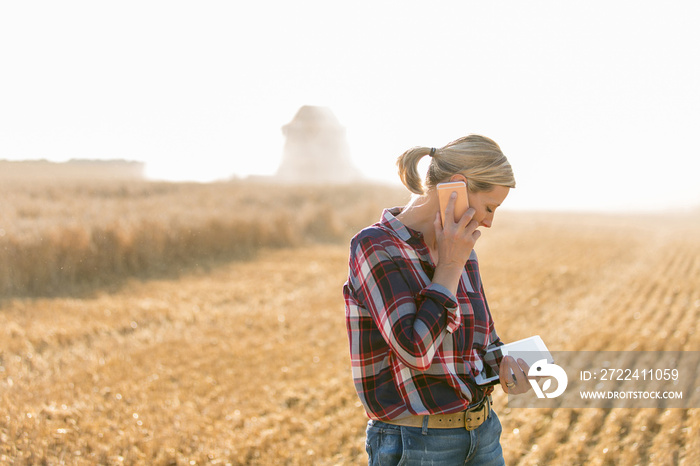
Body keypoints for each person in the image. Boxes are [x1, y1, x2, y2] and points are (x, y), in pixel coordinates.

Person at [343, 134, 531, 465]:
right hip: (417, 443)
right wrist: (449, 266)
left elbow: (481, 343)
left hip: (484, 433)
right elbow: (415, 352)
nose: (489, 222)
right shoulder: (376, 247)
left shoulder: (461, 251)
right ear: (456, 187)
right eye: (489, 207)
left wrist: (506, 367)